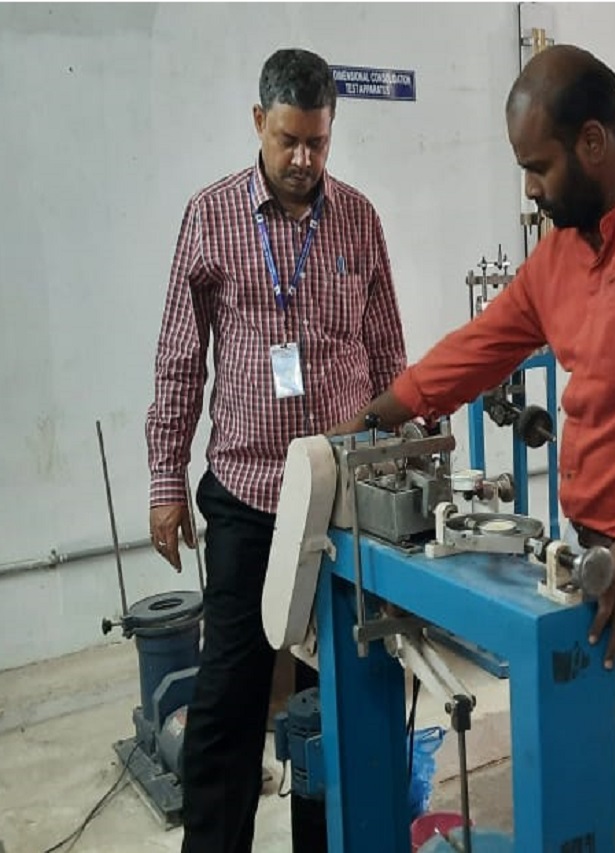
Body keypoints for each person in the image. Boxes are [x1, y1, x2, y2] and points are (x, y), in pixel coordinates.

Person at [331, 44, 615, 852]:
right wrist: (371, 422)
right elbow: (481, 345)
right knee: (609, 799)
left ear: (593, 141)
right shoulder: (564, 252)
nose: (530, 189)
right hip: (598, 563)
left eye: (539, 167)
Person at [145, 47, 408, 853]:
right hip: (250, 494)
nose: (302, 159)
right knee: (230, 698)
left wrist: (401, 461)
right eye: (288, 139)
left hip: (345, 497)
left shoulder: (358, 218)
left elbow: (388, 353)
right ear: (259, 121)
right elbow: (179, 358)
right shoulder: (211, 215)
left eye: (317, 143)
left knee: (346, 694)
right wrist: (165, 480)